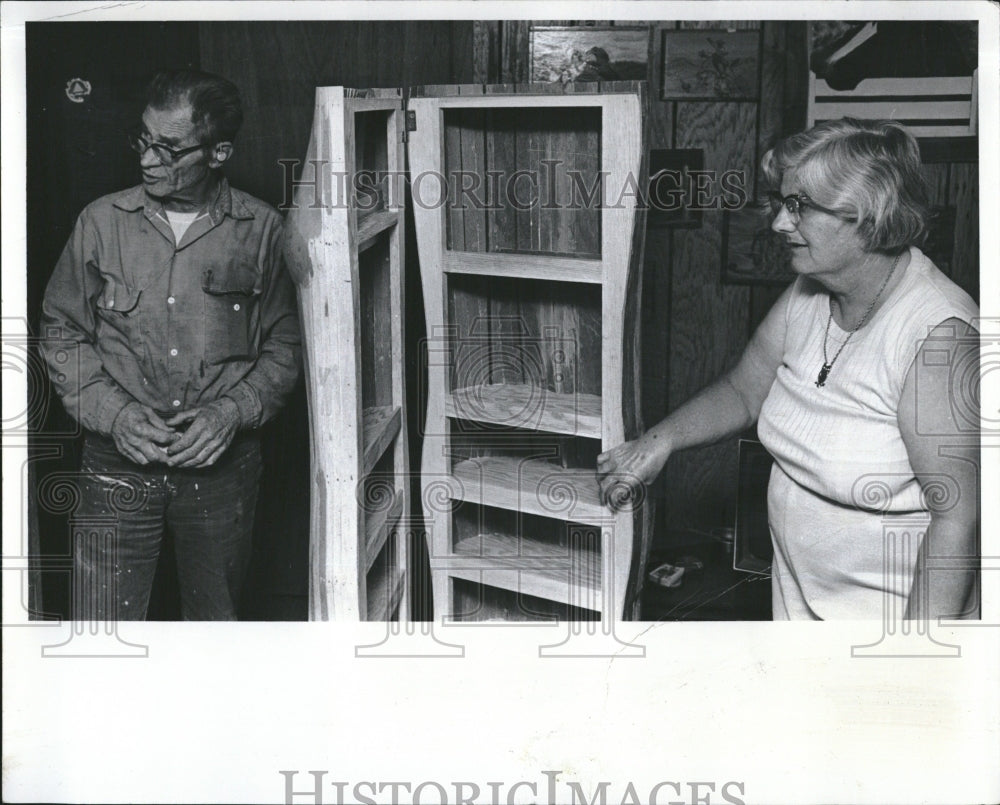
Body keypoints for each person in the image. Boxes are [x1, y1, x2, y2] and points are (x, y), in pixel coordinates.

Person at [597, 118, 979, 620]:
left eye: (798, 206)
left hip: (891, 629)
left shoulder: (940, 335)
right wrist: (659, 441)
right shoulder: (809, 292)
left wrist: (913, 671)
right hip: (800, 609)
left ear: (865, 214)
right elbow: (743, 389)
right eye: (781, 203)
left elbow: (959, 518)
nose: (779, 223)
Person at [40, 69, 302, 620]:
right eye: (144, 139)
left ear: (219, 152)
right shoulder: (100, 223)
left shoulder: (263, 231)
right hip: (116, 461)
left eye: (170, 148)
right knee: (102, 628)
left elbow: (287, 346)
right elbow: (61, 330)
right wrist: (113, 414)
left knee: (216, 623)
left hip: (222, 466)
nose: (148, 159)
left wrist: (232, 413)